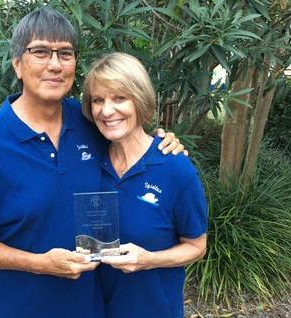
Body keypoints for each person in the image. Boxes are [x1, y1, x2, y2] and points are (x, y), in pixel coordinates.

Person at [0, 8, 185, 318]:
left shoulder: (90, 122)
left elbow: (131, 140)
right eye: (41, 52)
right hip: (22, 308)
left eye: (65, 53)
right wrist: (39, 264)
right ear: (18, 64)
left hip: (93, 307)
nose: (55, 65)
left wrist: (163, 142)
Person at [82, 52, 207, 318]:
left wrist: (148, 260)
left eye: (119, 98)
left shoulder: (175, 168)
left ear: (139, 100)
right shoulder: (87, 161)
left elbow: (196, 246)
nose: (106, 110)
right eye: (97, 100)